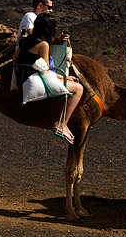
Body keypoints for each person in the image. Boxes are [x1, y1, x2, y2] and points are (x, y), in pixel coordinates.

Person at [19, 14, 83, 143]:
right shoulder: (43, 45)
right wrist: (65, 77)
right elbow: (46, 70)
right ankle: (62, 124)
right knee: (79, 89)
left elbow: (16, 59)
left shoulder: (26, 39)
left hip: (23, 76)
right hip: (35, 78)